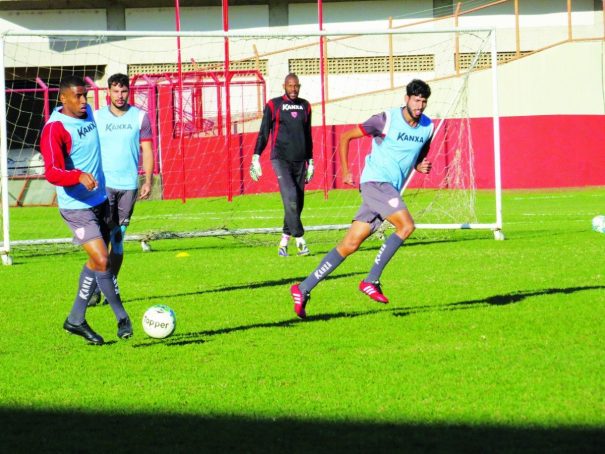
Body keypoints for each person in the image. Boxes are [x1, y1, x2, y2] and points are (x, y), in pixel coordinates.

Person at [290, 79, 434, 319]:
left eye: (424, 101)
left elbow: (418, 155)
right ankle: (371, 280)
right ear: (406, 98)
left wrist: (420, 165)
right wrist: (346, 170)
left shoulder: (427, 127)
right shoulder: (385, 120)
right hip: (376, 183)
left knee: (349, 244)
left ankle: (303, 288)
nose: (420, 106)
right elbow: (346, 136)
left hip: (388, 190)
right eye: (416, 100)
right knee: (406, 226)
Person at [40, 75, 133, 344]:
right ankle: (121, 317)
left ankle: (75, 320)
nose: (84, 101)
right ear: (63, 98)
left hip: (101, 201)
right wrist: (77, 175)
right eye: (77, 96)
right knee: (103, 260)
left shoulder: (89, 112)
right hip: (76, 207)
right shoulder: (54, 128)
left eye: (85, 95)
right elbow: (52, 172)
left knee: (98, 260)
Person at [87, 73, 154, 307]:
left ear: (129, 92)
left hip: (128, 187)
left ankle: (109, 286)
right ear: (108, 92)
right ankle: (95, 286)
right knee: (101, 239)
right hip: (103, 187)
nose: (119, 95)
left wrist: (148, 180)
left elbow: (147, 150)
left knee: (117, 239)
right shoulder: (95, 117)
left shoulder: (140, 117)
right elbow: (88, 148)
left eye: (123, 91)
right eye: (115, 91)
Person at [250, 73, 314, 257]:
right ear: (284, 86)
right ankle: (300, 241)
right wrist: (256, 157)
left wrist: (311, 161)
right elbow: (263, 132)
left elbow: (307, 135)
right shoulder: (273, 105)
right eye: (290, 86)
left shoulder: (306, 106)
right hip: (280, 159)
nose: (293, 89)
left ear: (299, 87)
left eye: (296, 86)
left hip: (300, 160)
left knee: (297, 203)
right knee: (291, 196)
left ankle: (283, 243)